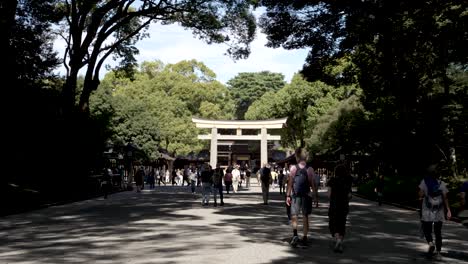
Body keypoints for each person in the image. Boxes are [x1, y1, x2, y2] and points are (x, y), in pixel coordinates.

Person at [418, 163, 451, 260]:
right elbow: (445, 198)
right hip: (439, 211)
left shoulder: (424, 182)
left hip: (427, 210)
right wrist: (448, 210)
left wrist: (422, 195)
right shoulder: (442, 183)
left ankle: (431, 243)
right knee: (438, 232)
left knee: (426, 229)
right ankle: (438, 253)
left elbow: (420, 195)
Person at [286, 149, 317, 248]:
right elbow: (312, 184)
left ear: (297, 157)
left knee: (294, 215)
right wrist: (315, 196)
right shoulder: (310, 169)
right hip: (307, 195)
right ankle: (304, 237)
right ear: (306, 157)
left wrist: (287, 195)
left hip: (295, 195)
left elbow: (290, 183)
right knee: (305, 216)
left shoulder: (293, 168)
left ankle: (295, 235)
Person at [328, 163, 353, 253]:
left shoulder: (332, 180)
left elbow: (329, 194)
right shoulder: (348, 180)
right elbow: (350, 195)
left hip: (334, 205)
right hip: (344, 205)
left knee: (333, 224)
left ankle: (337, 239)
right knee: (342, 224)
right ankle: (340, 242)